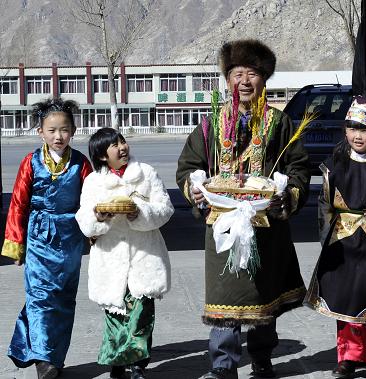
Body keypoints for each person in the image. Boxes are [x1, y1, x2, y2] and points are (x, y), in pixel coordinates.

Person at [176, 39, 310, 379]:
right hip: (221, 228)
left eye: (253, 74)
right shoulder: (210, 125)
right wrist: (197, 193)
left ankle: (262, 357)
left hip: (266, 228)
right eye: (238, 74)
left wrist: (286, 195)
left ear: (264, 79)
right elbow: (187, 167)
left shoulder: (279, 123)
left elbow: (298, 168)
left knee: (264, 295)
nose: (245, 81)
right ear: (227, 79)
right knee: (225, 298)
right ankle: (223, 365)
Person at [304, 96, 366, 378]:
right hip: (343, 239)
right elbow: (324, 204)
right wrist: (326, 239)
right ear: (345, 130)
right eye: (352, 128)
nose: (358, 136)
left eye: (365, 129)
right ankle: (347, 357)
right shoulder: (334, 164)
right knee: (344, 299)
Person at [1, 97, 93, 379]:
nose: (58, 136)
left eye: (64, 130)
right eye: (52, 130)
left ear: (74, 130)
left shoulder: (81, 163)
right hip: (39, 236)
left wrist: (95, 234)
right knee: (40, 297)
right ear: (41, 132)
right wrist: (16, 245)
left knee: (64, 300)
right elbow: (18, 203)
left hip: (70, 239)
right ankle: (43, 361)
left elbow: (92, 201)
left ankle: (55, 357)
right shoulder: (30, 162)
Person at [75, 128, 173, 379]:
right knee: (116, 316)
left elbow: (165, 209)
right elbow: (84, 218)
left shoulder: (146, 174)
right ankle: (117, 363)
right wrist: (99, 217)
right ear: (101, 156)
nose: (122, 147)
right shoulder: (94, 182)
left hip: (144, 257)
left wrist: (139, 212)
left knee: (141, 314)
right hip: (110, 259)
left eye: (123, 141)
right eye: (114, 145)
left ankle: (138, 364)